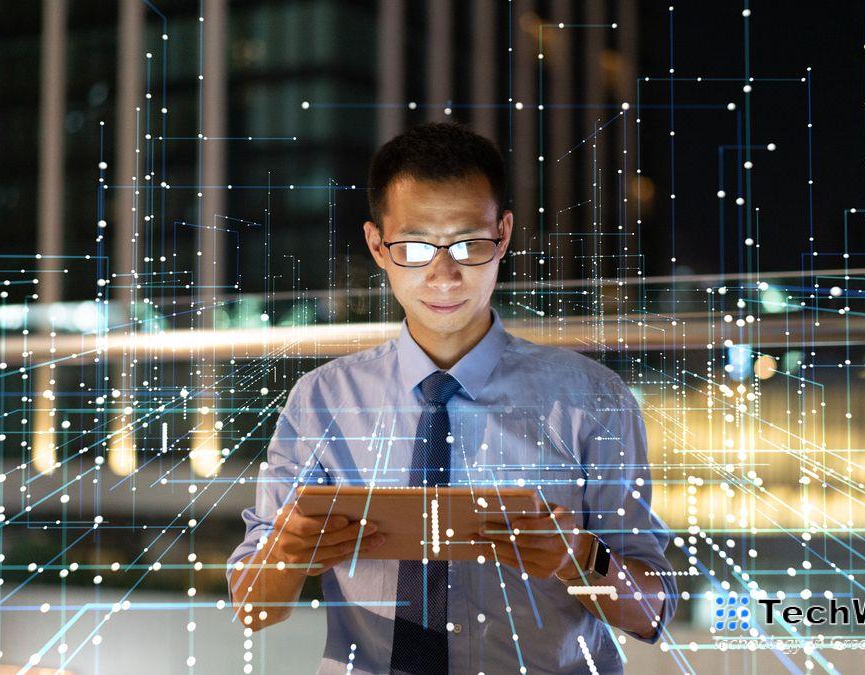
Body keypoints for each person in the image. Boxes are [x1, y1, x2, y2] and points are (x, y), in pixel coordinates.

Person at [227, 122, 676, 674]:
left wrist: (582, 558)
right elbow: (253, 608)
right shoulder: (322, 400)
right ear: (377, 245)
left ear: (504, 234)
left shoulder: (592, 399)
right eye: (415, 247)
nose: (444, 275)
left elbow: (652, 613)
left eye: (469, 244)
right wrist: (286, 558)